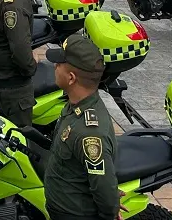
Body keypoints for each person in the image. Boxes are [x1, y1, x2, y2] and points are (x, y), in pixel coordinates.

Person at [43, 34, 119, 220]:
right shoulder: (76, 104)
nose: (55, 66)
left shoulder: (89, 133)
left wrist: (110, 206)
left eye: (59, 64)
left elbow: (104, 187)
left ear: (71, 78)